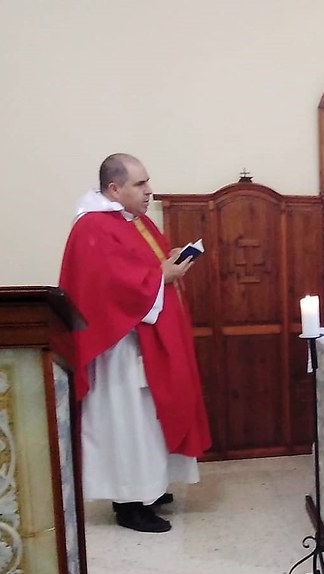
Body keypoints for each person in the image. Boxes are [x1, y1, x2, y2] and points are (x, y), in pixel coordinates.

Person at [59, 153, 211, 533]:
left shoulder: (133, 222)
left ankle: (150, 487)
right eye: (140, 184)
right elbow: (107, 287)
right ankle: (128, 502)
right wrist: (161, 275)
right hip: (118, 349)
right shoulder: (92, 228)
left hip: (146, 340)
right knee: (127, 423)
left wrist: (169, 261)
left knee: (147, 421)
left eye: (147, 182)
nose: (148, 191)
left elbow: (144, 268)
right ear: (114, 188)